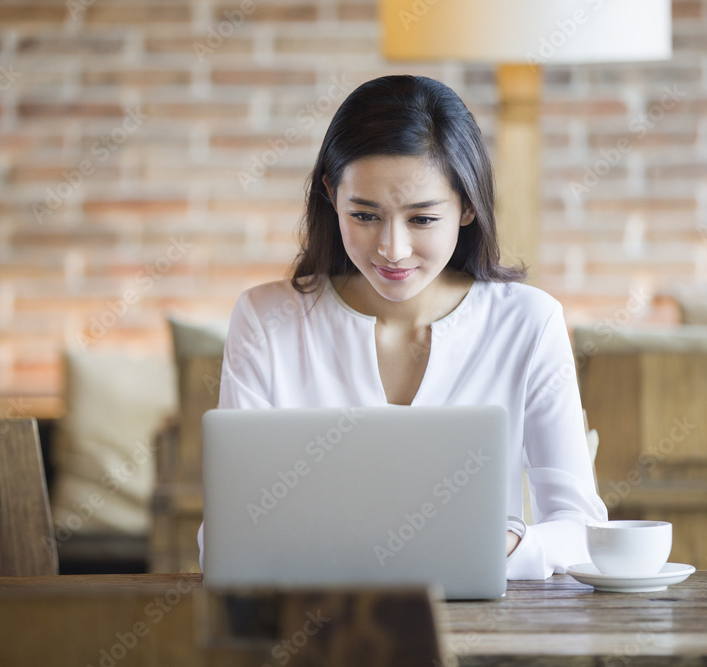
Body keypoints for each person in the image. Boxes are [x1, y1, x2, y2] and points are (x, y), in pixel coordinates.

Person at [199, 75, 607, 579]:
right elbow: (225, 535)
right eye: (365, 216)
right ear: (331, 194)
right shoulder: (266, 319)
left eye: (422, 219)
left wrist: (494, 545)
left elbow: (580, 529)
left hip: (484, 623)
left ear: (468, 206)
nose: (392, 250)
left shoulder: (528, 321)